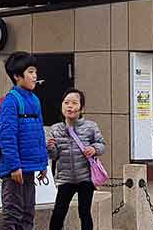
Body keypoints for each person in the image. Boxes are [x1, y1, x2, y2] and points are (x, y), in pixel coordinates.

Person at [0, 51, 49, 230]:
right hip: (15, 170)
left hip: (29, 169)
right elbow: (7, 137)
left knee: (28, 214)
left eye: (35, 72)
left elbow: (39, 134)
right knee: (13, 215)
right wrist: (13, 166)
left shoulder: (34, 100)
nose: (35, 76)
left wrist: (43, 164)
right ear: (17, 76)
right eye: (30, 72)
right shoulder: (11, 101)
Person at [46, 88, 107, 230]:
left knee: (84, 213)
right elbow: (54, 156)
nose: (70, 106)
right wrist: (50, 148)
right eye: (66, 102)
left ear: (82, 108)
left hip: (85, 178)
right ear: (62, 106)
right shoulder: (56, 129)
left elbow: (102, 145)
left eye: (74, 103)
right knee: (59, 212)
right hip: (65, 178)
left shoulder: (90, 126)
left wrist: (94, 149)